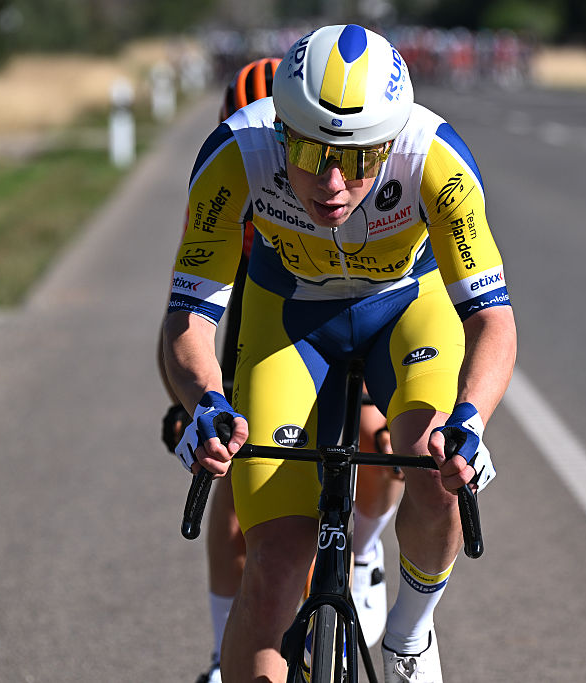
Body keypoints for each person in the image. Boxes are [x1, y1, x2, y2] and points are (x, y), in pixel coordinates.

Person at [163, 24, 516, 683]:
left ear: (391, 141)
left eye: (358, 159)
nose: (331, 181)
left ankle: (409, 632)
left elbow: (492, 320)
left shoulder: (435, 158)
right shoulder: (236, 152)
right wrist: (204, 400)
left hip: (406, 307)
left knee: (436, 468)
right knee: (274, 563)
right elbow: (188, 317)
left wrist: (470, 419)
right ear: (280, 129)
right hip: (288, 315)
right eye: (308, 149)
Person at [157, 56, 404, 683]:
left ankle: (363, 552)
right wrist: (195, 405)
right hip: (260, 302)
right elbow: (184, 322)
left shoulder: (337, 190)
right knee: (239, 489)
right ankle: (225, 656)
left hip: (351, 300)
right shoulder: (232, 177)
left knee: (377, 440)